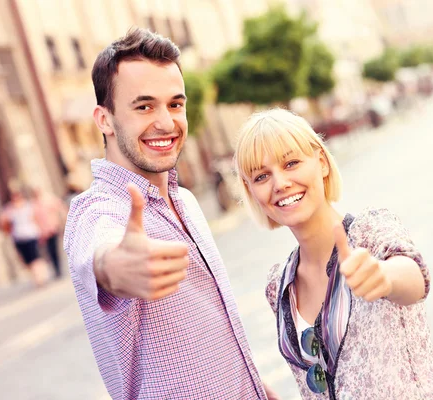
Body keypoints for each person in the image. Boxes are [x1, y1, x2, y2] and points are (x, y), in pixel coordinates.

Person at [63, 28, 277, 400]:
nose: (166, 122)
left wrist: (255, 388)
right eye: (144, 106)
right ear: (105, 120)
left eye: (175, 104)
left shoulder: (187, 202)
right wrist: (115, 266)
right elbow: (103, 252)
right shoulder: (97, 211)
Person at [233, 108, 433, 399]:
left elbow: (414, 279)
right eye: (261, 176)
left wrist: (383, 278)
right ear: (252, 192)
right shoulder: (278, 286)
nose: (279, 184)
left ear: (321, 162)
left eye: (291, 163)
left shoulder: (370, 231)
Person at [0, 186, 48, 287]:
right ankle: (36, 276)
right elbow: (3, 223)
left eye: (18, 197)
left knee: (35, 257)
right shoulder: (9, 209)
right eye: (14, 197)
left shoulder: (29, 206)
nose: (16, 199)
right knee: (27, 261)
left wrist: (42, 231)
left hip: (31, 234)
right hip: (18, 237)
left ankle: (40, 277)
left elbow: (36, 218)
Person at [33, 186, 67, 279]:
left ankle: (58, 269)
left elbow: (60, 206)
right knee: (49, 252)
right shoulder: (34, 204)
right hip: (43, 233)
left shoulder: (48, 200)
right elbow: (34, 219)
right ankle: (55, 268)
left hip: (52, 228)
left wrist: (62, 219)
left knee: (54, 249)